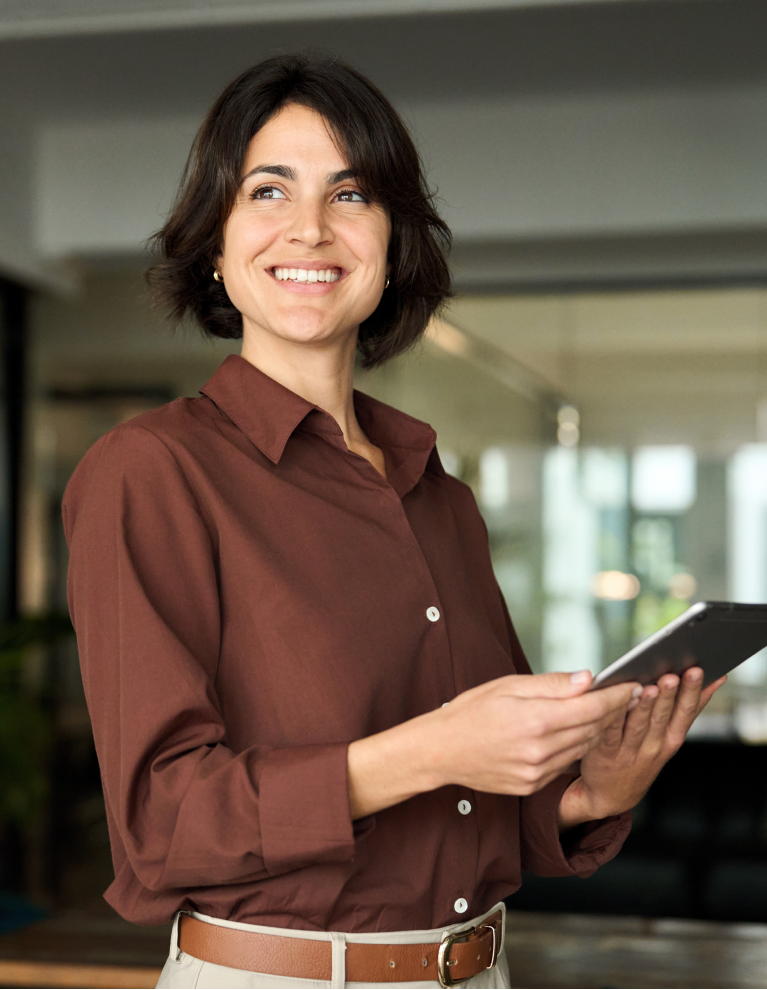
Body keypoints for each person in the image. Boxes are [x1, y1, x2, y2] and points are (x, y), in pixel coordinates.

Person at [63, 53, 724, 990]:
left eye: (352, 195)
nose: (310, 228)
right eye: (267, 191)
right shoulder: (152, 472)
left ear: (391, 241)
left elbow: (475, 811)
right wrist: (432, 748)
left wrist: (589, 792)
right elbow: (165, 824)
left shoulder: (439, 497)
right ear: (215, 240)